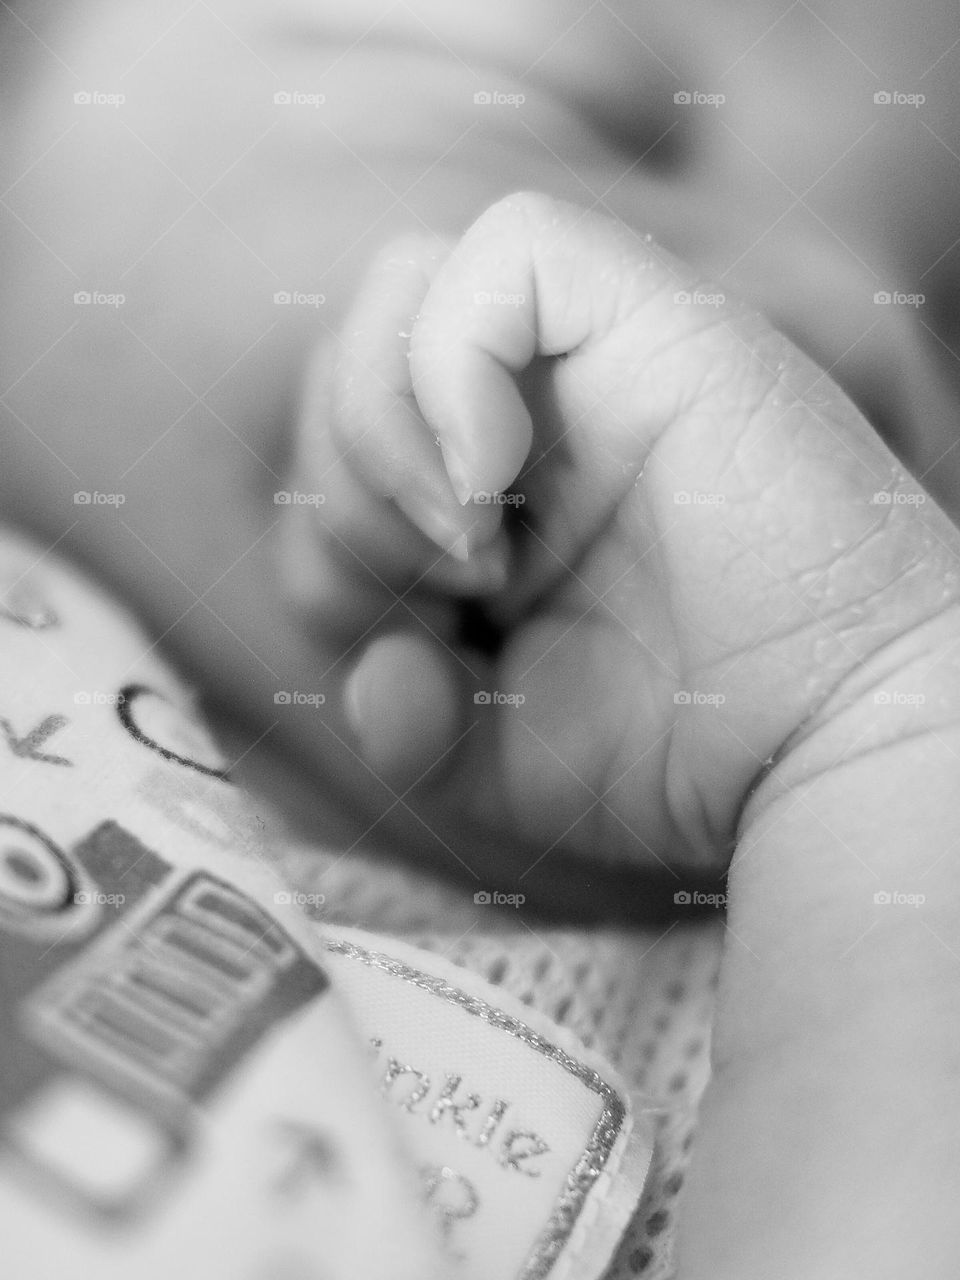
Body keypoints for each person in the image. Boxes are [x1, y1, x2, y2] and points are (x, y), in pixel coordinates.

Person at [2, 3, 960, 1277]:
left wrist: (883, 729)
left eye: (953, 324)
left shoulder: (783, 1022)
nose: (856, 324)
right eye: (575, 98)